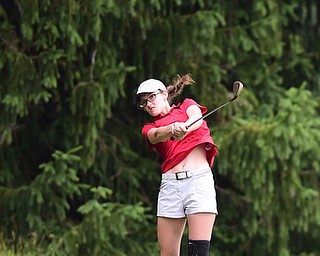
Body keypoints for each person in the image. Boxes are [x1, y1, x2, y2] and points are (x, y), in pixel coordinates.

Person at [136, 74, 219, 256]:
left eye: (152, 97)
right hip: (170, 187)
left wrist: (185, 126)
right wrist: (172, 129)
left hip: (199, 182)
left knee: (198, 252)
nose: (149, 104)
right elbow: (157, 135)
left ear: (164, 94)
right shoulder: (149, 127)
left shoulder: (186, 105)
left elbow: (196, 117)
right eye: (144, 102)